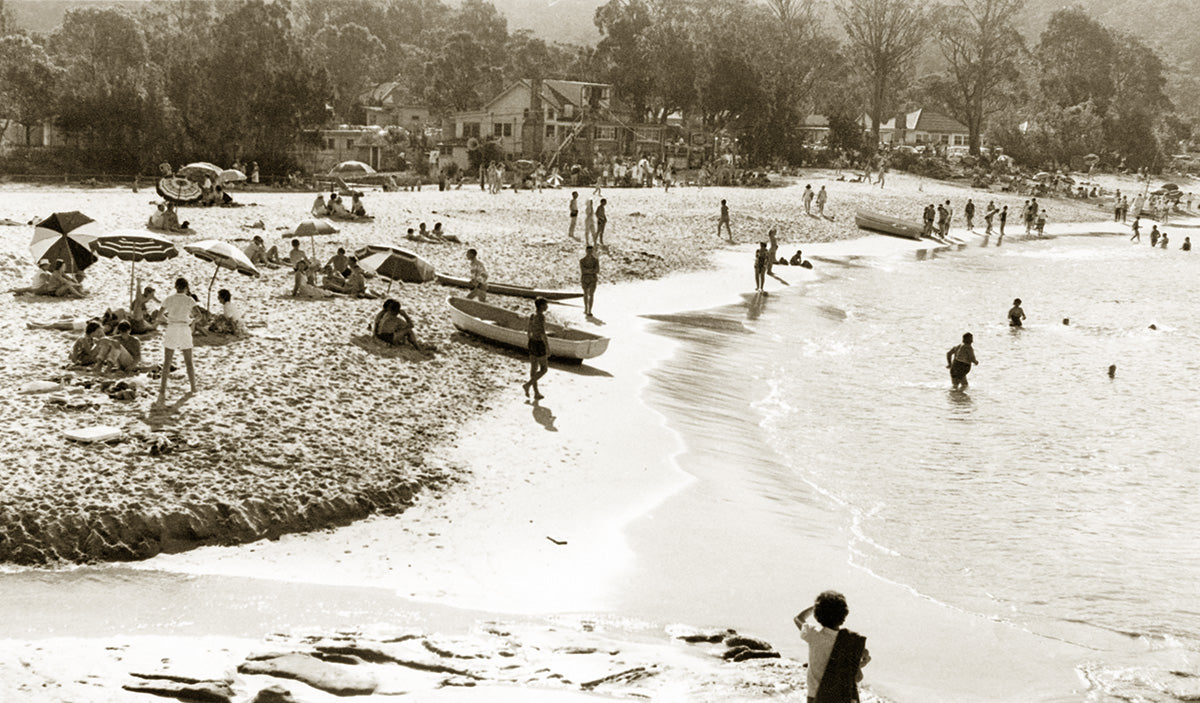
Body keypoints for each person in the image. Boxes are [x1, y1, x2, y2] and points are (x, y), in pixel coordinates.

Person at [793, 591, 870, 703]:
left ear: (817, 615)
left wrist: (814, 607)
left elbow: (798, 618)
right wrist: (861, 664)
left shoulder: (813, 634)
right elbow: (858, 677)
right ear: (844, 614)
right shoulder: (850, 641)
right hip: (839, 697)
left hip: (815, 695)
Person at [156, 278, 198, 405]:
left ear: (175, 287)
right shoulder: (189, 299)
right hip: (184, 328)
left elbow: (159, 315)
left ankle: (162, 390)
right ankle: (193, 387)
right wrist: (192, 321)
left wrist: (168, 320)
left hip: (172, 328)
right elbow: (200, 316)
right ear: (186, 288)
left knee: (167, 362)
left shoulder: (169, 299)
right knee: (188, 361)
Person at [580, 245, 599, 317]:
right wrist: (592, 270)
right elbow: (583, 270)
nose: (589, 253)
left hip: (592, 279)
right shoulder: (582, 261)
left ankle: (589, 310)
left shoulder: (595, 260)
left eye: (591, 251)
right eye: (588, 251)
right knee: (585, 294)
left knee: (591, 295)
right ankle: (586, 308)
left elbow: (597, 270)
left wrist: (588, 270)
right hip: (585, 279)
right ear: (586, 251)